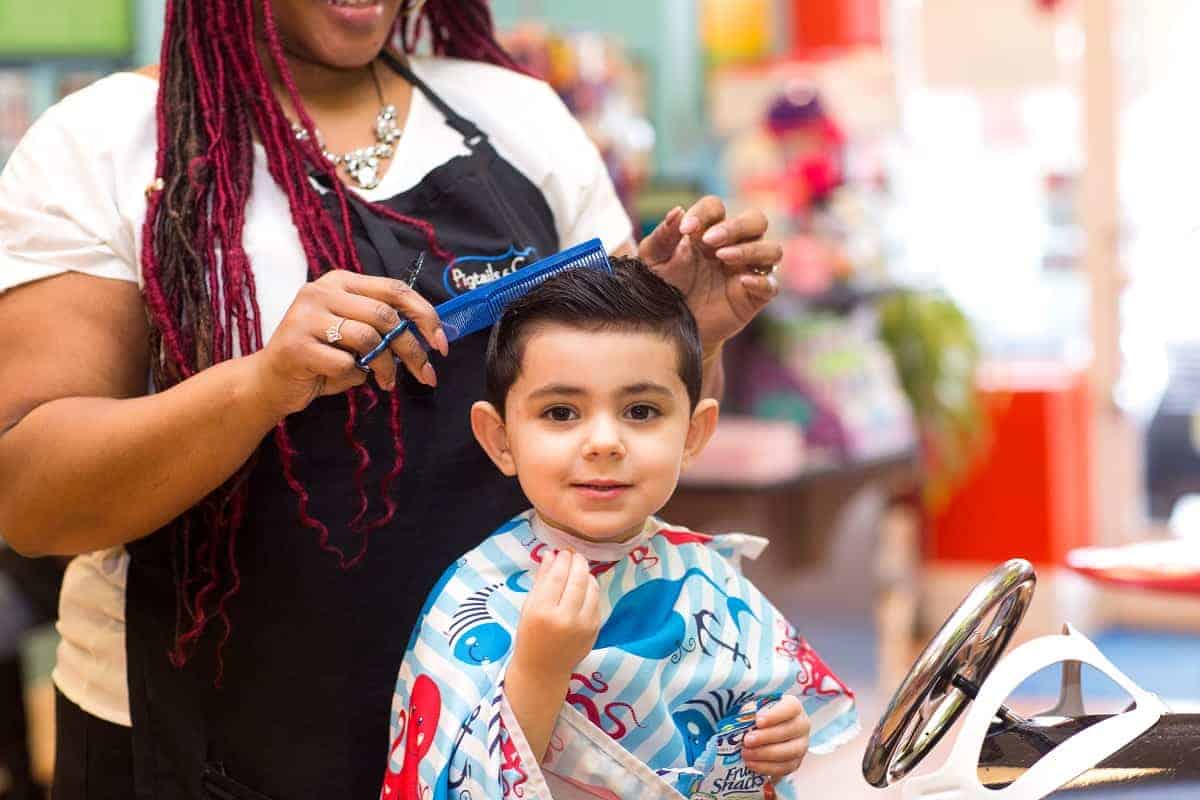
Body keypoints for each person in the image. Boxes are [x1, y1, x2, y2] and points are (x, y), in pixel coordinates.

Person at [0, 1, 783, 797]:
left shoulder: (516, 117)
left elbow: (622, 445)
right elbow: (31, 500)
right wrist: (260, 385)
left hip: (502, 737)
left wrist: (692, 338)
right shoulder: (105, 143)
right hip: (200, 743)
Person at [381, 258, 857, 799]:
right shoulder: (476, 597)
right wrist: (538, 671)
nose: (604, 442)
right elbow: (445, 783)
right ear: (500, 439)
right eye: (561, 413)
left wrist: (778, 740)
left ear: (694, 434)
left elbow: (756, 719)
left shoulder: (706, 576)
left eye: (641, 411)